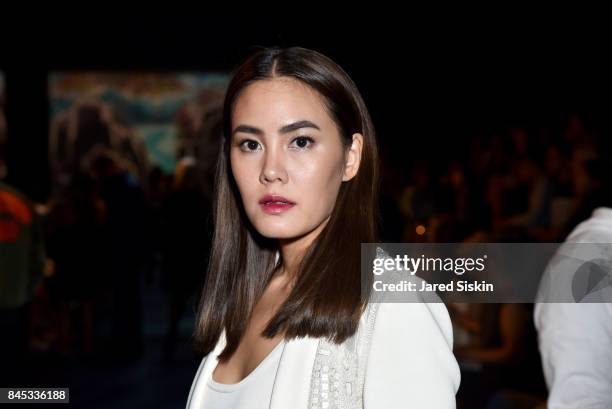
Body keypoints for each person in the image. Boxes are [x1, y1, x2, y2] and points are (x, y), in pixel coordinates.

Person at [185, 46, 460, 409]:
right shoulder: (246, 295)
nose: (271, 170)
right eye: (250, 144)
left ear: (351, 157)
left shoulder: (392, 306)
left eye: (300, 141)